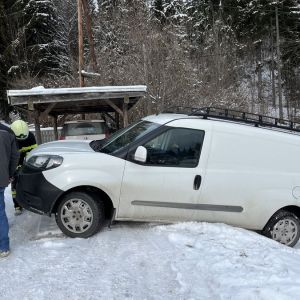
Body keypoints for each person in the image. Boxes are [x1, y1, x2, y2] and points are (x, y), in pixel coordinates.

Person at [10, 120, 37, 215]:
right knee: (14, 186)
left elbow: (34, 151)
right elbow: (11, 155)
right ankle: (17, 206)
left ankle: (30, 202)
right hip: (15, 164)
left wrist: (28, 163)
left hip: (28, 163)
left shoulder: (30, 136)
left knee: (30, 183)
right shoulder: (11, 138)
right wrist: (15, 167)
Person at [0, 129, 19, 257]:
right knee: (0, 214)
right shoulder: (6, 133)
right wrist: (9, 173)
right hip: (1, 178)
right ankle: (4, 247)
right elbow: (15, 156)